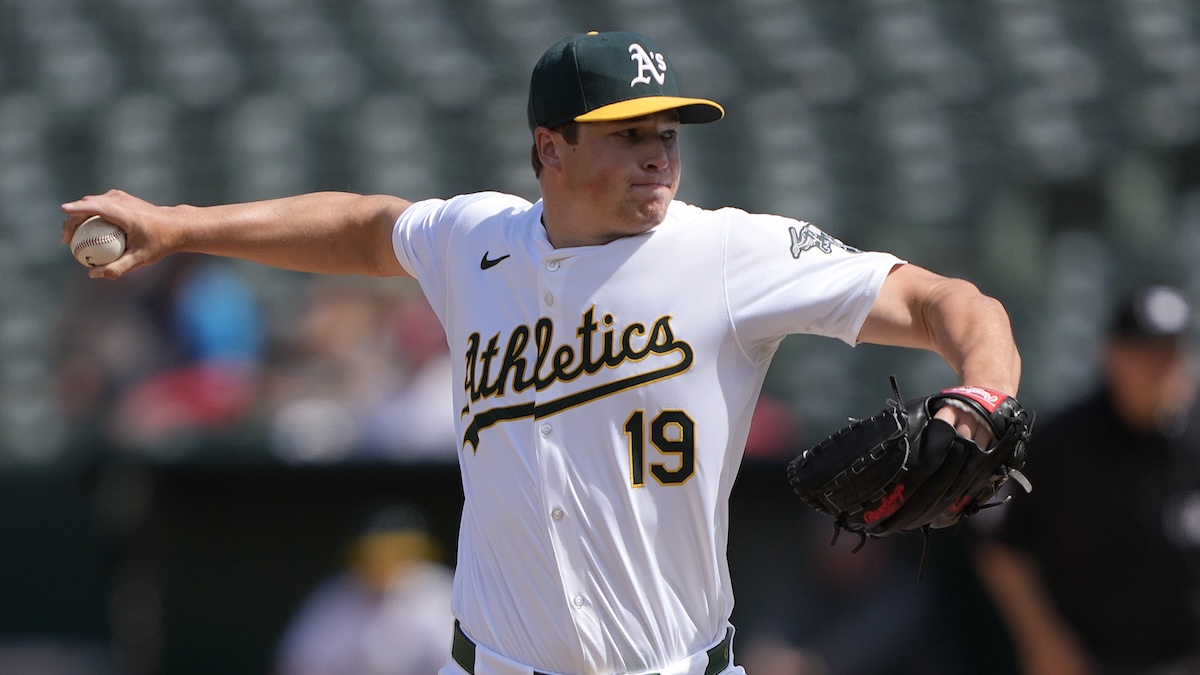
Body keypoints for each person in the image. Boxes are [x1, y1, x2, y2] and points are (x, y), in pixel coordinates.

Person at [62, 30, 1021, 675]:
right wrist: (179, 225)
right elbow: (361, 226)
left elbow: (948, 300)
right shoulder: (475, 241)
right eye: (626, 133)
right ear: (548, 147)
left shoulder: (729, 254)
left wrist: (983, 395)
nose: (659, 154)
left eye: (667, 133)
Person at [974, 284, 1200, 675]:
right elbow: (1002, 548)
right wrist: (1043, 640)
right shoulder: (1065, 443)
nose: (1161, 369)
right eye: (1147, 354)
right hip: (1095, 660)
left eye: (1170, 354)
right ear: (1112, 356)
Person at [274, 503, 455, 675]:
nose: (385, 562)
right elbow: (301, 664)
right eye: (374, 553)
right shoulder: (337, 596)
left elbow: (458, 664)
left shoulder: (439, 594)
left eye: (398, 552)